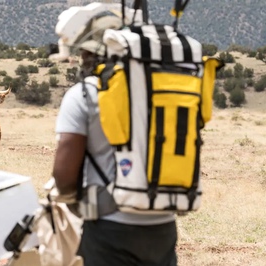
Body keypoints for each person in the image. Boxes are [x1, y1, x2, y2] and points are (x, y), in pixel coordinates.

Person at [50, 10, 178, 266]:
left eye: (86, 51)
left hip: (110, 229)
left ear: (96, 53)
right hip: (163, 226)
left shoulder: (84, 94)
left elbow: (63, 177)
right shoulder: (165, 91)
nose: (83, 58)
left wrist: (76, 206)